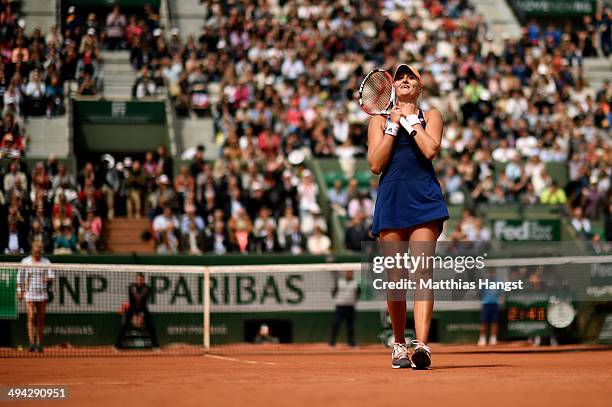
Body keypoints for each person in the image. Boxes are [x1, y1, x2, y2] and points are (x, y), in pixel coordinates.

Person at [368, 64, 448, 369]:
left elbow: (430, 149)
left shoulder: (433, 116)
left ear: (420, 86)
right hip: (392, 201)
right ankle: (399, 345)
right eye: (400, 76)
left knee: (422, 272)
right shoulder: (377, 121)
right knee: (396, 277)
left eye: (410, 76)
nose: (404, 79)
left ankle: (422, 346)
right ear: (391, 85)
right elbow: (375, 164)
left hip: (425, 201)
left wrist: (412, 123)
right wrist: (392, 126)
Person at [16, 242, 53, 352]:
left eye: (39, 252)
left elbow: (51, 276)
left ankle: (39, 343)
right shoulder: (25, 261)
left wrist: (46, 278)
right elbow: (19, 277)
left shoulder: (46, 261)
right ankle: (31, 343)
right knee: (31, 316)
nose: (37, 254)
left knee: (41, 319)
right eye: (36, 252)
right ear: (32, 251)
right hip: (29, 293)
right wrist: (20, 290)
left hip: (42, 293)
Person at [115, 272, 160, 349]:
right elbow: (132, 299)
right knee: (124, 325)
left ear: (143, 280)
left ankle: (155, 346)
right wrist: (134, 315)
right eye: (138, 279)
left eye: (141, 279)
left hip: (143, 308)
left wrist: (141, 314)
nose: (140, 281)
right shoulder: (131, 287)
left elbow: (145, 299)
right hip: (132, 308)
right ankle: (117, 345)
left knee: (151, 325)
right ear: (136, 280)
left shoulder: (147, 288)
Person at [329, 270, 360, 347]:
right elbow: (333, 292)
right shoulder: (340, 282)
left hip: (350, 307)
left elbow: (358, 293)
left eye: (349, 273)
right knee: (336, 324)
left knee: (350, 326)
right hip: (340, 307)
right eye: (346, 272)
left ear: (352, 274)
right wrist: (339, 299)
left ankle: (351, 343)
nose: (347, 274)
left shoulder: (355, 283)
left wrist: (354, 299)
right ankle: (332, 342)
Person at [478, 269, 500, 346]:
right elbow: (479, 292)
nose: (491, 274)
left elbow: (500, 293)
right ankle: (482, 338)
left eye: (493, 272)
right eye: (490, 272)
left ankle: (493, 338)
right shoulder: (484, 282)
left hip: (495, 304)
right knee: (484, 322)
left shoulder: (497, 282)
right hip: (486, 304)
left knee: (495, 322)